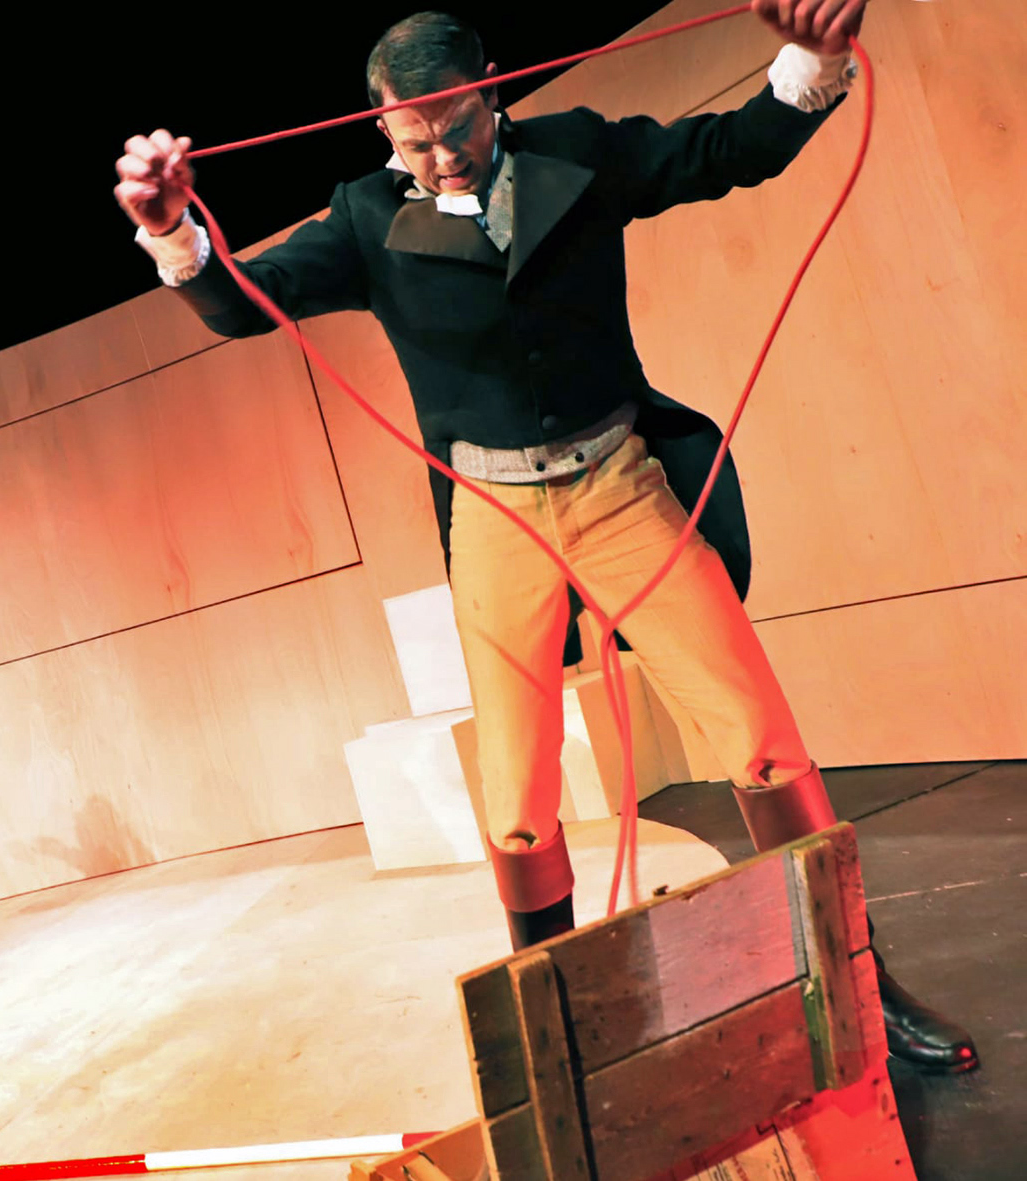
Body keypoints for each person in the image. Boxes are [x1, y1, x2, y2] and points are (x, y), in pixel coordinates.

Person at [113, 1, 978, 1072]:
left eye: (457, 127)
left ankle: (857, 976)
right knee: (517, 802)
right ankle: (556, 1035)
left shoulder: (575, 152)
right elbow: (247, 301)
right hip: (494, 513)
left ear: (492, 90)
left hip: (619, 485)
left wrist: (812, 55)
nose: (439, 154)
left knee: (761, 739)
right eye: (412, 138)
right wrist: (172, 229)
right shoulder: (362, 217)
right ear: (380, 126)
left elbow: (726, 150)